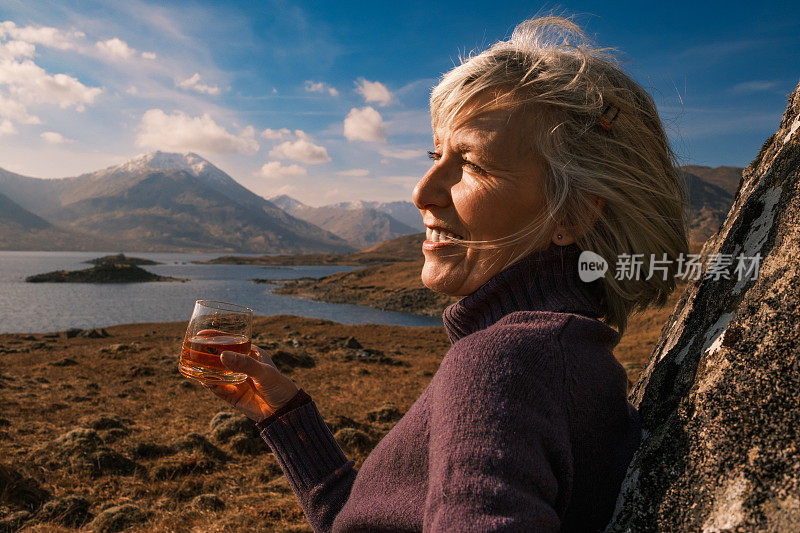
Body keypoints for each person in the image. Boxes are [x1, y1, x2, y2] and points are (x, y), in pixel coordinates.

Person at [202, 15, 687, 532]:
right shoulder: (569, 355)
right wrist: (282, 413)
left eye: (472, 163)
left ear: (572, 214)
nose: (421, 192)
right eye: (437, 154)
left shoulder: (500, 364)